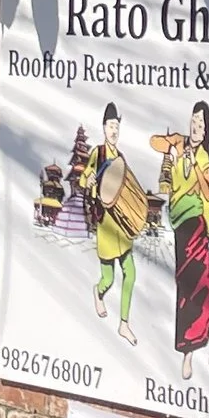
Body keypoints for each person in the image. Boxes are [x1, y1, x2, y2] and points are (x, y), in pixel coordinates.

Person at [153, 101, 209, 375]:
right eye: (193, 121)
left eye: (201, 124)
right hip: (179, 222)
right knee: (185, 285)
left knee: (194, 285)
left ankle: (189, 351)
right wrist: (172, 149)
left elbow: (207, 194)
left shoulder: (203, 159)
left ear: (206, 130)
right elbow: (155, 144)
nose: (196, 128)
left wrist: (194, 163)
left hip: (195, 222)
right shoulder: (181, 149)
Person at [76, 103, 139, 345]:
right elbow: (83, 179)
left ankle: (124, 323)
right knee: (109, 279)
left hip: (122, 225)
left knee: (130, 274)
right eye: (111, 125)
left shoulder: (120, 158)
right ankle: (98, 291)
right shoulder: (98, 153)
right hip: (106, 224)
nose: (114, 130)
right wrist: (88, 179)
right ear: (103, 127)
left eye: (117, 126)